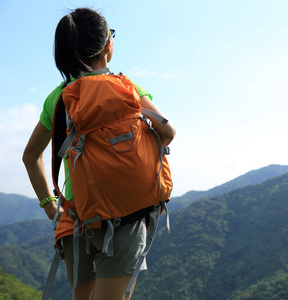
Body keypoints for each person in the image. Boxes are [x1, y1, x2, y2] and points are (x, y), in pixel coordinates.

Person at [22, 7, 176, 300]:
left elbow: (31, 157)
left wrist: (51, 207)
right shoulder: (127, 88)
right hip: (124, 220)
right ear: (108, 45)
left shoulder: (57, 98)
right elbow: (168, 132)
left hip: (75, 220)